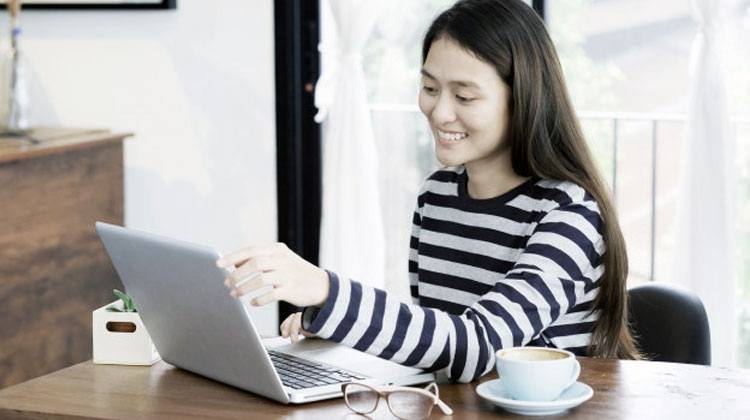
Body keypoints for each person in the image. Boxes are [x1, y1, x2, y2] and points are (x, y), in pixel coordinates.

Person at [217, 0, 639, 383]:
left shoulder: (569, 214)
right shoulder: (437, 195)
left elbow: (476, 347)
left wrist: (327, 291)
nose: (439, 112)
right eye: (431, 88)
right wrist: (330, 320)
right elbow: (436, 332)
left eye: (465, 96)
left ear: (524, 98)